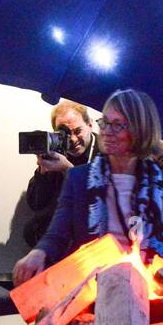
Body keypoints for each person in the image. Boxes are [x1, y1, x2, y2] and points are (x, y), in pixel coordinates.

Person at [12, 89, 163, 286]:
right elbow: (57, 235)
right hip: (93, 282)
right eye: (106, 123)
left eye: (119, 125)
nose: (107, 131)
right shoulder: (78, 178)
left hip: (146, 282)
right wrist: (38, 253)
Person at [22, 99, 98, 247]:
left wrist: (68, 170)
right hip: (64, 225)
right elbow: (35, 203)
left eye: (77, 131)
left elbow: (100, 202)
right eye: (66, 134)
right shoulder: (57, 151)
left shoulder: (105, 151)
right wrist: (42, 172)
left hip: (94, 225)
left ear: (90, 125)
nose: (73, 139)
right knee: (33, 230)